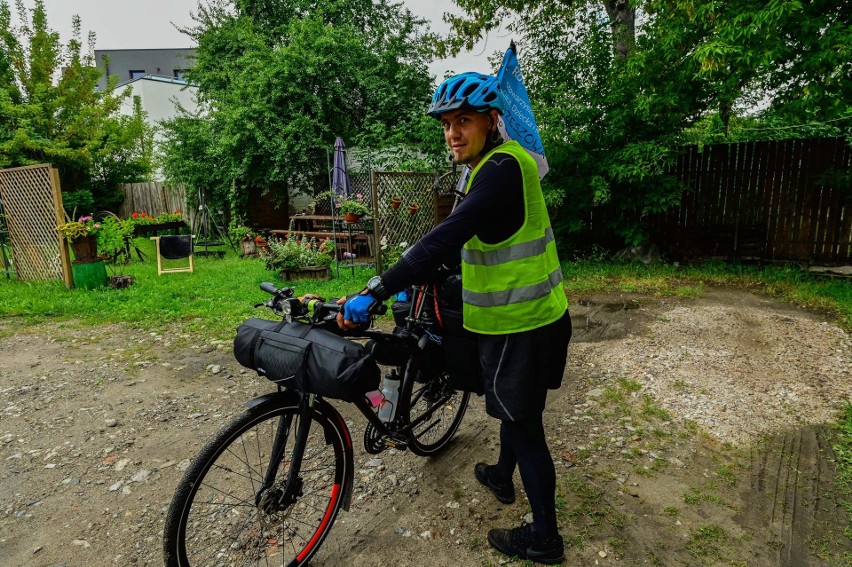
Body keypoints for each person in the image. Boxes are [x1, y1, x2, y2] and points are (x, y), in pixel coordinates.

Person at [337, 71, 572, 565]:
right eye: (446, 123)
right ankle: (501, 475)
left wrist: (377, 288)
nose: (452, 133)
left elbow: (450, 233)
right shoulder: (486, 165)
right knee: (513, 408)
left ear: (491, 121)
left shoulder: (504, 167)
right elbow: (463, 238)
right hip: (519, 319)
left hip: (521, 324)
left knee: (524, 424)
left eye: (463, 121)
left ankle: (545, 538)